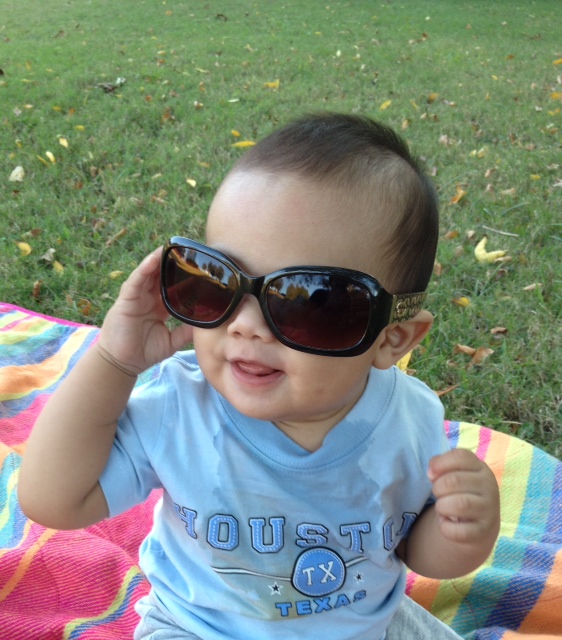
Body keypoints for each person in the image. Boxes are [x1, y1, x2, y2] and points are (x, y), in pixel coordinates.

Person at [19, 113, 500, 639]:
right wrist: (115, 361)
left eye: (311, 300)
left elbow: (411, 549)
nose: (245, 324)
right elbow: (52, 500)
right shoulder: (180, 405)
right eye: (216, 280)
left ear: (393, 338)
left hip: (365, 627)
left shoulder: (410, 419)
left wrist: (462, 533)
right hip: (199, 628)